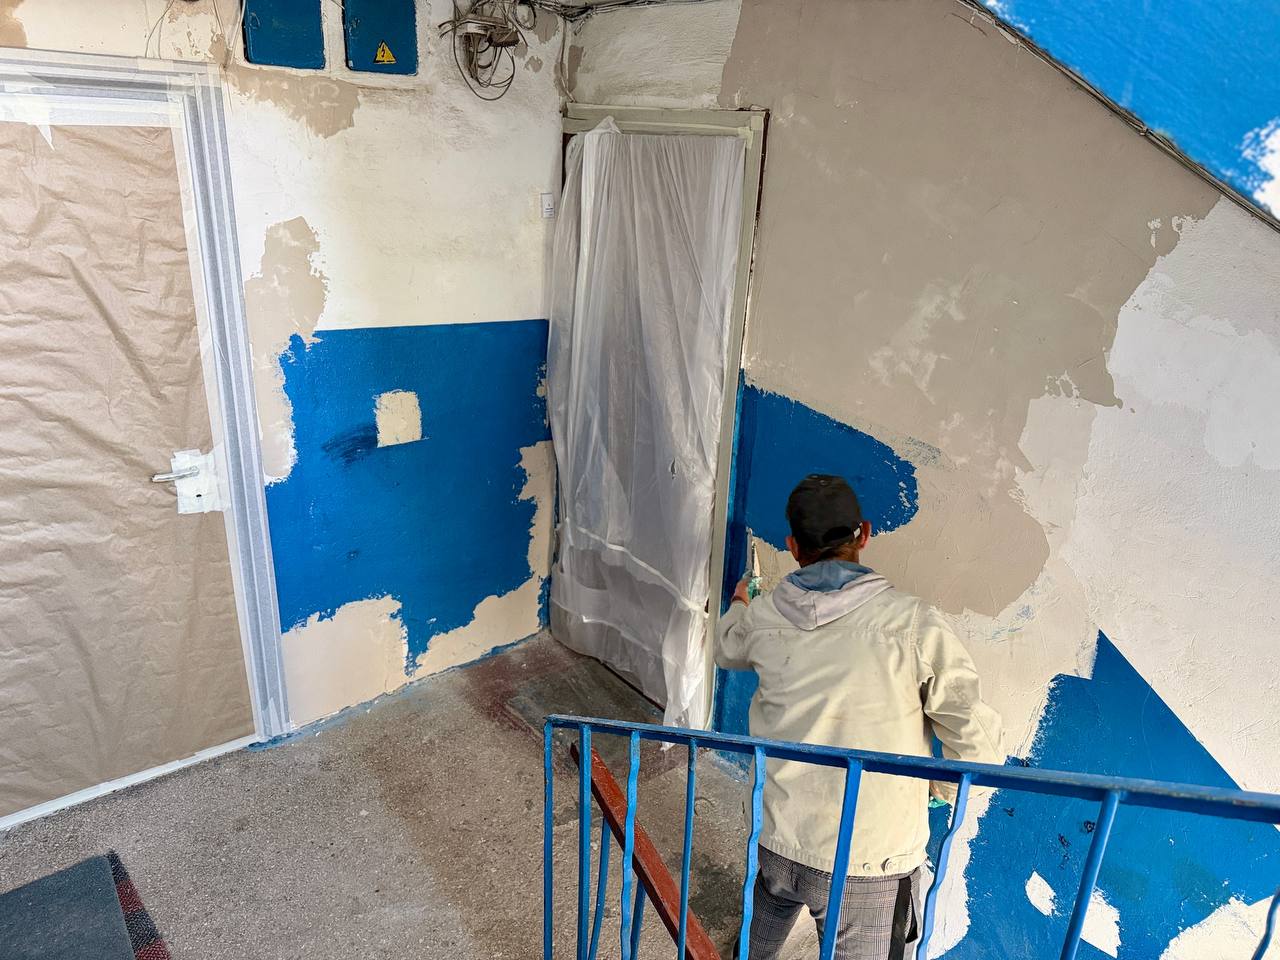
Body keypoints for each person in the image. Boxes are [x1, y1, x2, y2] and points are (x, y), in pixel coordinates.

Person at [717, 474, 1003, 960]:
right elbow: (979, 750)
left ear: (793, 546)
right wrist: (939, 790)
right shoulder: (912, 624)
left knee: (756, 936)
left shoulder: (764, 618)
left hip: (777, 835)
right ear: (864, 534)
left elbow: (727, 646)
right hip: (867, 861)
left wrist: (742, 599)